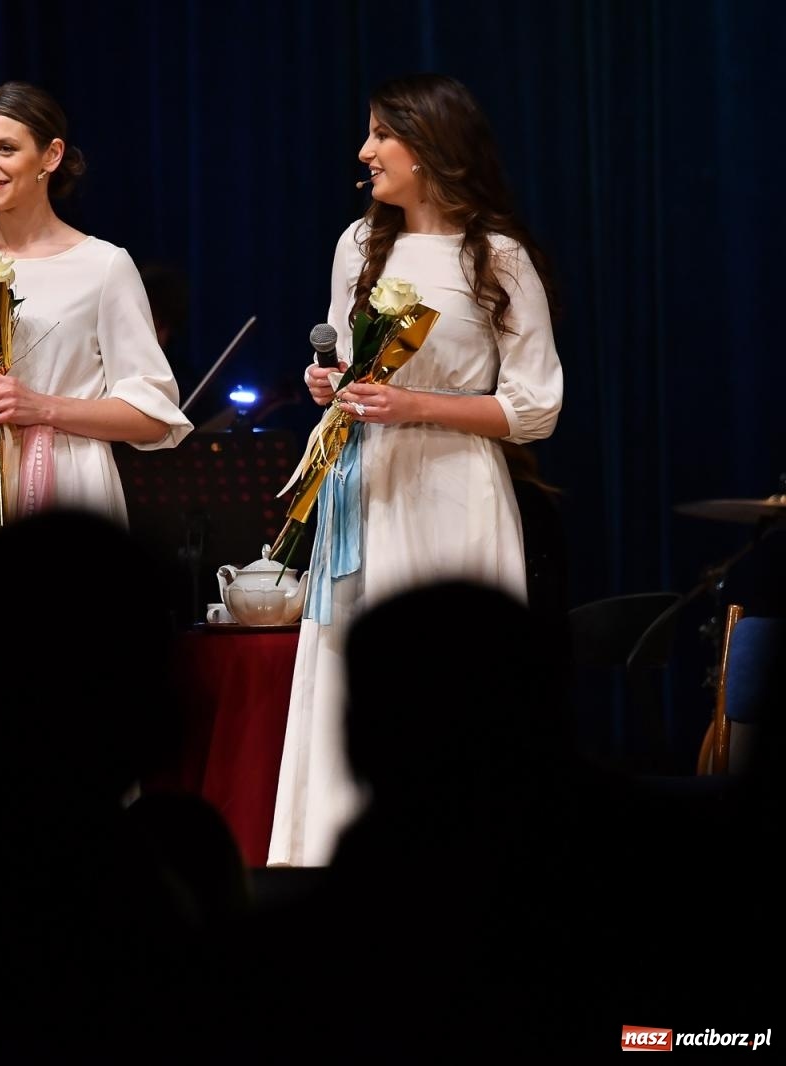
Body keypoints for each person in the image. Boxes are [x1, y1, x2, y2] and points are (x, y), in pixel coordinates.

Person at [0, 81, 191, 847]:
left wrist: (41, 406)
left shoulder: (103, 266)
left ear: (51, 157)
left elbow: (156, 414)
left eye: (4, 148)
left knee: (71, 680)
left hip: (70, 492)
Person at [267, 74, 563, 867]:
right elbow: (347, 367)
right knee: (354, 666)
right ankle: (332, 860)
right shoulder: (359, 246)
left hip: (455, 491)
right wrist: (330, 385)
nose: (364, 152)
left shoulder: (498, 257)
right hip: (367, 483)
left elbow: (534, 408)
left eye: (379, 135)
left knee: (455, 680)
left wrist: (417, 407)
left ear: (429, 147)